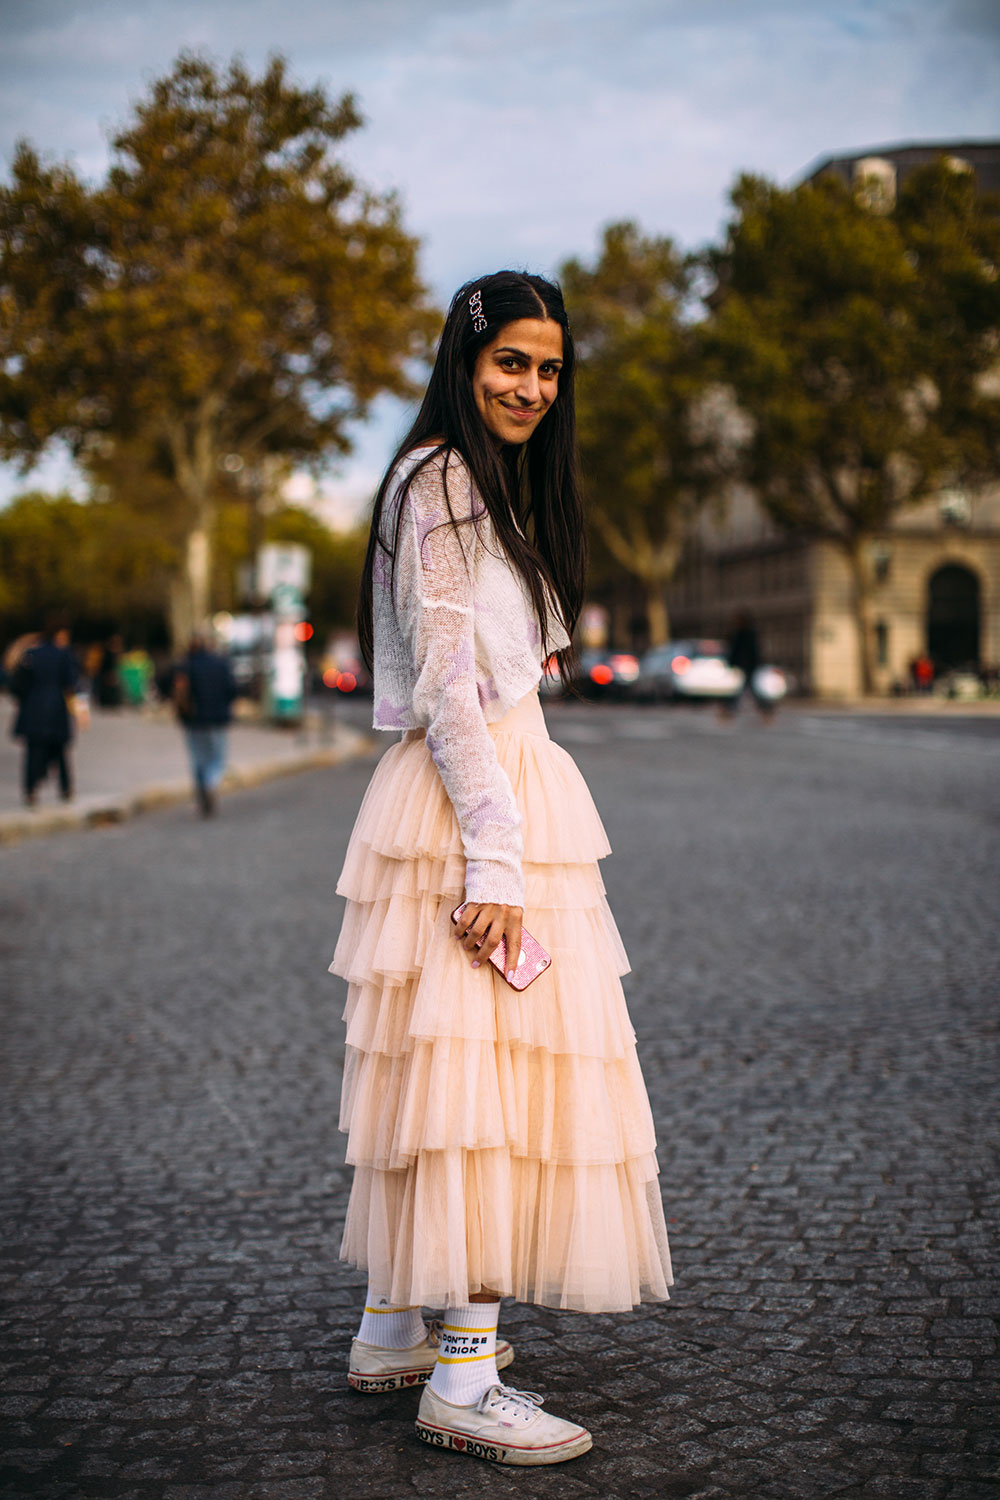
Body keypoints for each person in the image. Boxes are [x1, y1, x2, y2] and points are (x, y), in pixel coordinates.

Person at [329, 272, 672, 1467]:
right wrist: (495, 858)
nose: (530, 387)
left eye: (548, 367)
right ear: (465, 359)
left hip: (488, 799)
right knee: (486, 1097)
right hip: (482, 808)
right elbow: (447, 689)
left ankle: (393, 1329)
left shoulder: (473, 483)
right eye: (510, 362)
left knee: (453, 1084)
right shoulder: (443, 481)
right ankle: (464, 1382)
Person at [10, 617, 79, 806]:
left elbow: (17, 685)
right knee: (60, 753)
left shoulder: (31, 654)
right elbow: (71, 684)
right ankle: (66, 789)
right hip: (56, 709)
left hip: (32, 710)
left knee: (33, 753)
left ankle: (30, 791)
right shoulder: (63, 655)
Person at [172, 633, 237, 816]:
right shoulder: (220, 663)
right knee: (217, 758)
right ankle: (211, 783)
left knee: (198, 759)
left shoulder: (186, 666)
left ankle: (202, 795)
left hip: (193, 720)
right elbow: (232, 689)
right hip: (217, 719)